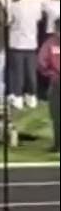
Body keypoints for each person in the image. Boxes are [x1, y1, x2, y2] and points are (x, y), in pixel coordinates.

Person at [8, 0, 46, 109]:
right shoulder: (36, 4)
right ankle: (31, 97)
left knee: (17, 72)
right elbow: (38, 18)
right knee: (30, 72)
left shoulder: (15, 5)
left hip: (18, 43)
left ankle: (18, 97)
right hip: (31, 43)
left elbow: (10, 21)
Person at [38, 21, 60, 153]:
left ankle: (58, 145)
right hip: (56, 82)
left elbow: (42, 62)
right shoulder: (50, 43)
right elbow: (41, 62)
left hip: (56, 81)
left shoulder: (50, 43)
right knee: (56, 116)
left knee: (57, 115)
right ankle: (57, 144)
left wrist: (50, 73)